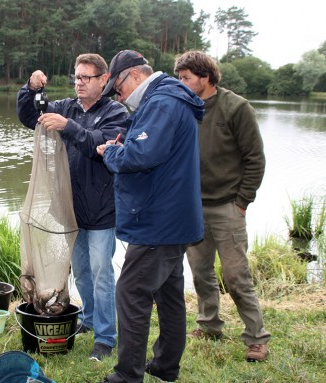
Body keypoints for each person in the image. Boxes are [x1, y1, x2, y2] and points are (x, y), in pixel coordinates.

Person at [96, 50, 204, 383]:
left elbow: (142, 155)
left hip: (158, 221)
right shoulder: (168, 99)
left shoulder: (162, 103)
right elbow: (151, 149)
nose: (118, 96)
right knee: (169, 295)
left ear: (134, 76)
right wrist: (125, 144)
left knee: (130, 292)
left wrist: (111, 151)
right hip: (173, 218)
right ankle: (165, 366)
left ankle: (127, 374)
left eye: (118, 88)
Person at [16, 54, 128, 361]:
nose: (79, 83)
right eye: (76, 78)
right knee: (81, 274)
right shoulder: (67, 107)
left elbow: (99, 147)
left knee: (101, 274)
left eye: (86, 78)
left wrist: (69, 127)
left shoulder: (116, 112)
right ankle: (89, 321)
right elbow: (29, 117)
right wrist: (31, 89)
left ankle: (105, 338)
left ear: (104, 80)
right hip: (69, 211)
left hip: (103, 212)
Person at [174, 50, 270, 362]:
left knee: (236, 276)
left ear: (206, 77)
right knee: (200, 273)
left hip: (228, 206)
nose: (182, 83)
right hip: (193, 207)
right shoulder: (184, 107)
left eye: (186, 78)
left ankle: (256, 337)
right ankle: (210, 324)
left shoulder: (236, 107)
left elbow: (255, 158)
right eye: (179, 78)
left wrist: (242, 202)